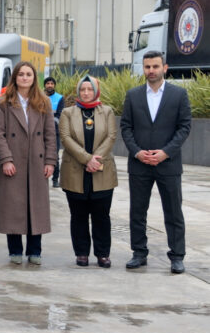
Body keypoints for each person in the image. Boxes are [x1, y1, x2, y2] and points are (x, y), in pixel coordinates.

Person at [120, 51, 191, 274]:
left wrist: (165, 152)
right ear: (144, 69)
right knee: (137, 211)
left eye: (155, 66)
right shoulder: (133, 95)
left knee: (173, 211)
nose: (151, 70)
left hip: (168, 164)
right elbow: (126, 127)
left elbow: (184, 127)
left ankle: (177, 256)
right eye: (148, 66)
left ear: (165, 68)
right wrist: (137, 152)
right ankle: (139, 253)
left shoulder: (178, 95)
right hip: (139, 163)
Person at [0, 61, 56, 265]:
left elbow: (50, 135)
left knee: (36, 206)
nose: (25, 78)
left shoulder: (44, 103)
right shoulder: (3, 103)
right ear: (15, 78)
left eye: (28, 74)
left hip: (37, 161)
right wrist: (6, 159)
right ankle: (15, 251)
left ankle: (35, 250)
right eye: (21, 74)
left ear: (34, 78)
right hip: (14, 161)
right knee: (13, 206)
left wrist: (51, 161)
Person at [59, 75, 117, 268]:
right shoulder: (68, 112)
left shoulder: (107, 111)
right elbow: (66, 138)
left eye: (89, 89)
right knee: (78, 215)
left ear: (96, 91)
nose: (85, 93)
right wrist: (86, 158)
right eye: (82, 89)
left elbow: (111, 136)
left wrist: (95, 159)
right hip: (75, 171)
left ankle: (102, 254)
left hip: (102, 171)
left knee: (101, 216)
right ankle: (82, 253)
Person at [44, 77, 65, 188]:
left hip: (54, 132)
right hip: (40, 132)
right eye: (48, 83)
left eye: (52, 83)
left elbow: (60, 114)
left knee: (54, 155)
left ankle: (55, 179)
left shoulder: (60, 98)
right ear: (45, 85)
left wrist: (49, 122)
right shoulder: (39, 97)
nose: (50, 85)